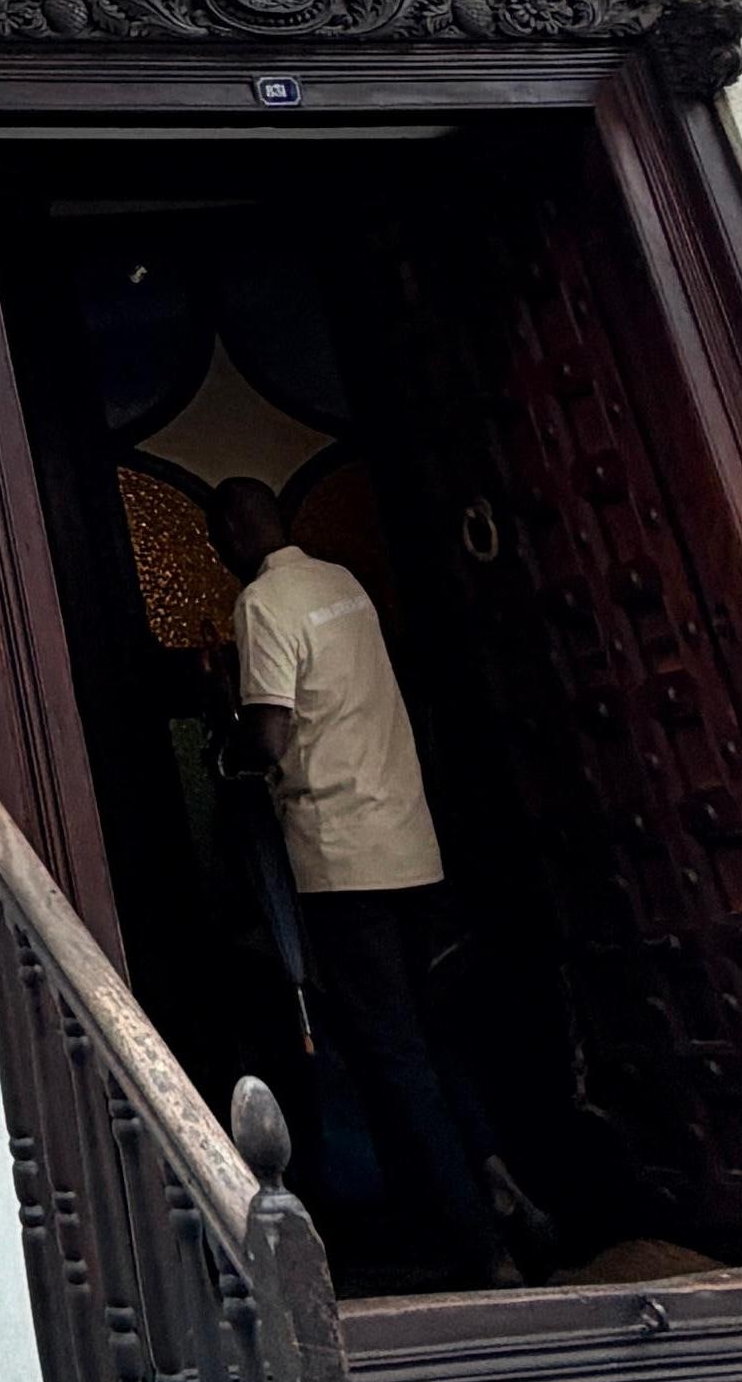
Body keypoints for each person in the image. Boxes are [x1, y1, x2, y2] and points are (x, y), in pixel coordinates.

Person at [207, 482, 513, 1293]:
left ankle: (473, 1242)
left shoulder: (263, 602)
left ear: (233, 530)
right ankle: (499, 1182)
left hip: (341, 859)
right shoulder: (345, 583)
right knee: (436, 1036)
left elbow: (271, 734)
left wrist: (227, 755)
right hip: (410, 842)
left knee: (390, 1051)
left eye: (216, 537)